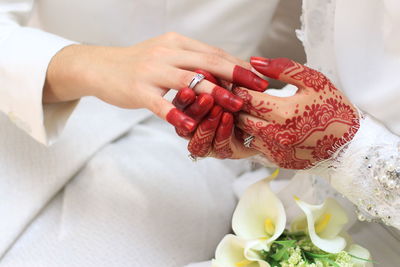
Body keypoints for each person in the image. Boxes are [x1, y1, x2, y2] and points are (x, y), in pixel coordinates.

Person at [0, 1, 399, 267]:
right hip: (25, 89)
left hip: (194, 153)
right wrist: (80, 64)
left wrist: (246, 102)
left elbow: (300, 38)